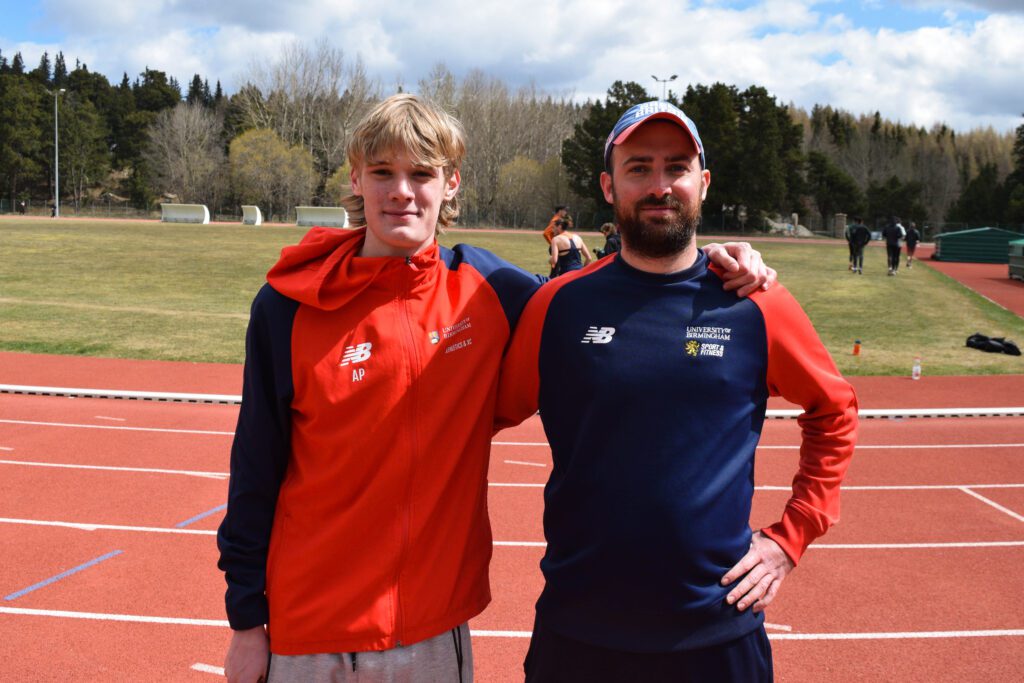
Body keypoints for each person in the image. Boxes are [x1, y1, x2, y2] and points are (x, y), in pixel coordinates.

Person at [217, 93, 777, 683]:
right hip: (304, 628)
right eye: (382, 172)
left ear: (451, 183)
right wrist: (246, 622)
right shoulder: (289, 305)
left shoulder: (489, 287)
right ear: (356, 179)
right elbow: (256, 466)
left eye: (421, 174)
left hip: (428, 630)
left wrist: (706, 261)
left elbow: (603, 293)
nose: (400, 191)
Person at [495, 101, 858, 682]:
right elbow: (479, 413)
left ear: (703, 183)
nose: (659, 186)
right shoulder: (557, 306)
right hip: (579, 635)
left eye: (677, 167)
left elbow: (834, 408)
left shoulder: (755, 303)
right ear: (609, 187)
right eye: (639, 168)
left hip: (717, 635)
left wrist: (792, 536)